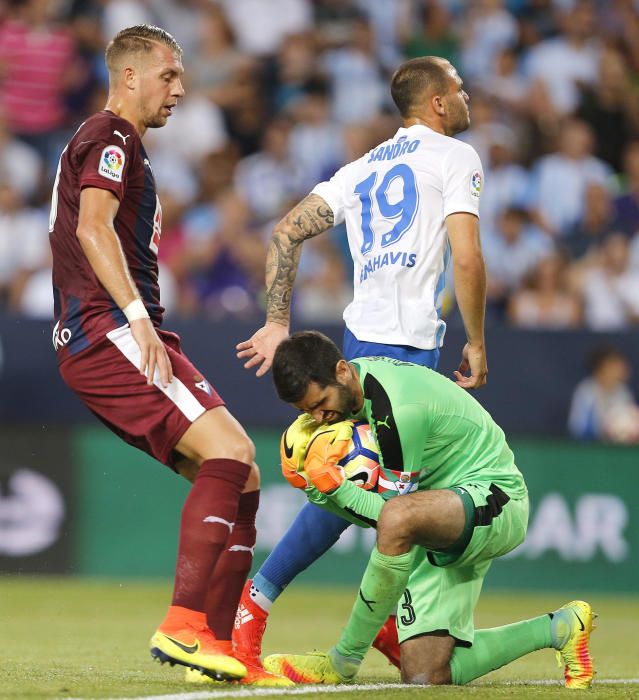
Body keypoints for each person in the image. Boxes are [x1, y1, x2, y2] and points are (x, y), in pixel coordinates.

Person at [48, 24, 290, 688]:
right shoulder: (110, 135)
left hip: (111, 331)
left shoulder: (122, 146)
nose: (180, 89)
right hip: (109, 330)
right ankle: (185, 624)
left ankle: (218, 649)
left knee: (242, 476)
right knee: (231, 453)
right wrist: (135, 319)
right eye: (169, 75)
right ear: (128, 76)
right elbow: (91, 229)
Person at [234, 56, 488, 666]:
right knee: (392, 496)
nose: (466, 95)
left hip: (360, 344)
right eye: (458, 88)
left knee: (379, 492)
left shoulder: (362, 166)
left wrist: (276, 322)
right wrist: (476, 341)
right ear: (436, 103)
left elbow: (286, 231)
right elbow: (468, 257)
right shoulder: (456, 158)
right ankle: (265, 606)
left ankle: (359, 619)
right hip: (406, 352)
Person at [263, 331, 595, 689]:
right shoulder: (353, 398)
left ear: (342, 371)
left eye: (320, 402)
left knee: (397, 517)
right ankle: (560, 627)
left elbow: (387, 517)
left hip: (496, 498)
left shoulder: (396, 408)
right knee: (425, 675)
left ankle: (343, 660)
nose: (319, 417)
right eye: (306, 412)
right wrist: (316, 490)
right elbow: (390, 516)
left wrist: (332, 489)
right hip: (440, 511)